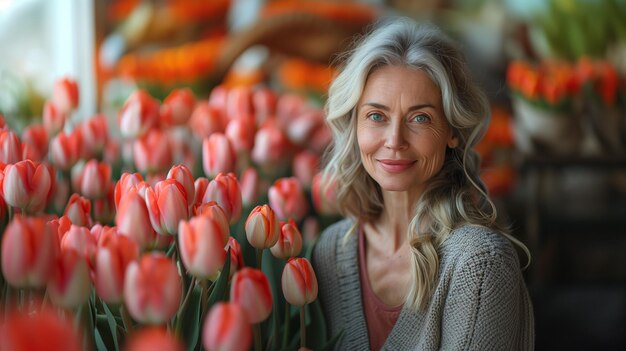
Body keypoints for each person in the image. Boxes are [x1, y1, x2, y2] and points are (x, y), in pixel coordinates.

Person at [312, 17, 534, 350]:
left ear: (452, 132)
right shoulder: (332, 251)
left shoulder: (480, 264)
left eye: (420, 118)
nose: (395, 140)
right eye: (376, 116)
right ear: (354, 125)